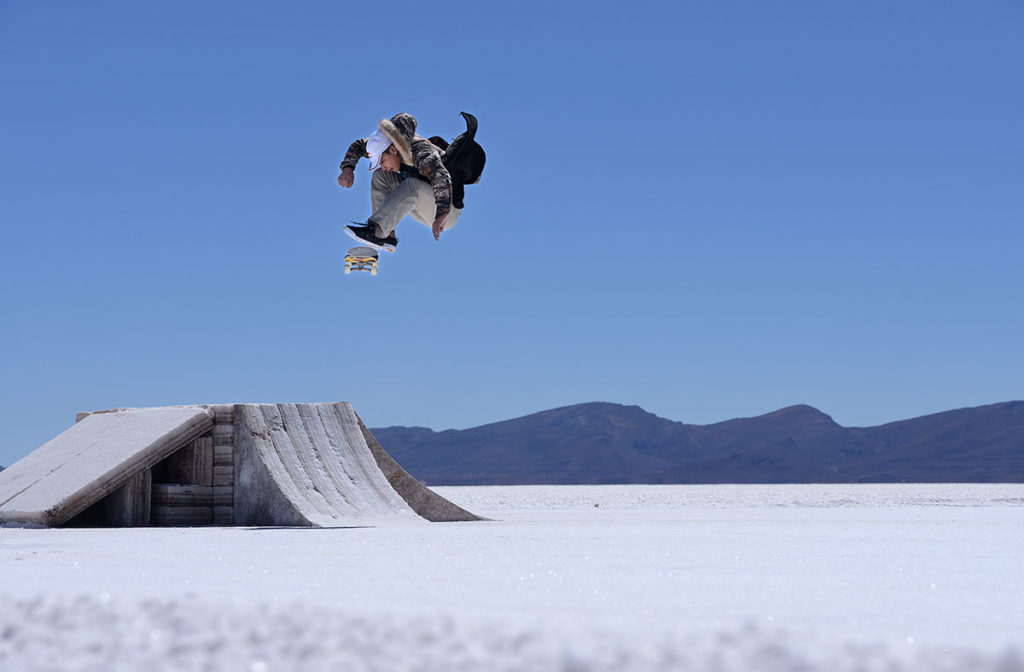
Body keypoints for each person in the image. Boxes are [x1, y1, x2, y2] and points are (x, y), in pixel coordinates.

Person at [338, 113, 459, 252]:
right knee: (381, 175)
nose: (382, 165)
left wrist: (442, 213)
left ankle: (378, 230)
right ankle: (386, 235)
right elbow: (359, 145)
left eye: (382, 161)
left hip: (446, 210)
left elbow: (442, 177)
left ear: (393, 150)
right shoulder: (385, 144)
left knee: (414, 184)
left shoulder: (421, 154)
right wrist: (348, 168)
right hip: (421, 203)